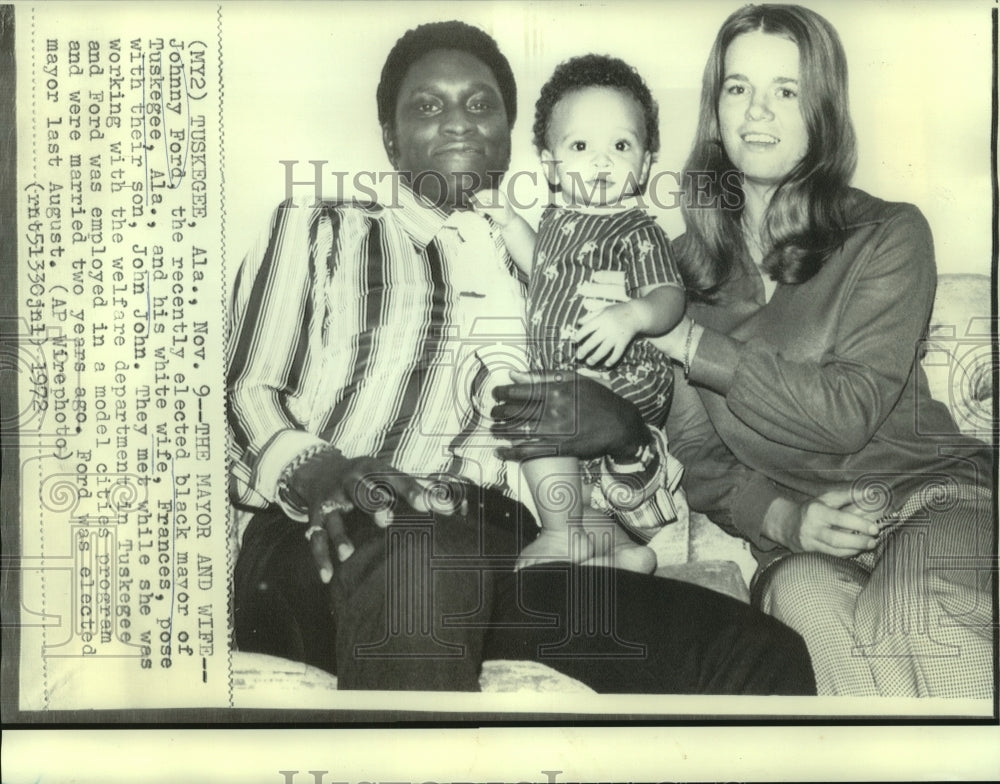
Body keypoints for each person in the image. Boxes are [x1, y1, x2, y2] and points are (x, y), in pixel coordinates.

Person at [227, 19, 817, 694]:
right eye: (427, 105)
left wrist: (621, 431)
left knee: (755, 656)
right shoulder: (318, 226)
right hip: (340, 537)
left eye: (481, 105)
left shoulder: (550, 276)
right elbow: (241, 390)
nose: (457, 122)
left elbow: (649, 511)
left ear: (510, 135)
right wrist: (316, 467)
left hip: (509, 556)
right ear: (389, 136)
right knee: (422, 566)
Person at [500, 4, 994, 698]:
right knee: (814, 622)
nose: (757, 111)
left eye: (785, 90)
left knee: (913, 616)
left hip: (929, 499)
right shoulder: (671, 272)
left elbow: (849, 410)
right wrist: (784, 518)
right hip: (801, 544)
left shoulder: (887, 234)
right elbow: (699, 457)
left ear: (820, 107)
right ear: (715, 107)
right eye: (738, 88)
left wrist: (688, 340)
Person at [473, 54, 687, 574]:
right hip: (572, 376)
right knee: (561, 469)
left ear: (644, 164)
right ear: (549, 165)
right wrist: (508, 221)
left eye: (621, 146)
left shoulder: (637, 230)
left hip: (623, 376)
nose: (601, 162)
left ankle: (559, 534)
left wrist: (633, 315)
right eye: (580, 146)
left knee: (535, 413)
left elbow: (669, 297)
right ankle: (618, 550)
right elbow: (538, 265)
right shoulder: (555, 221)